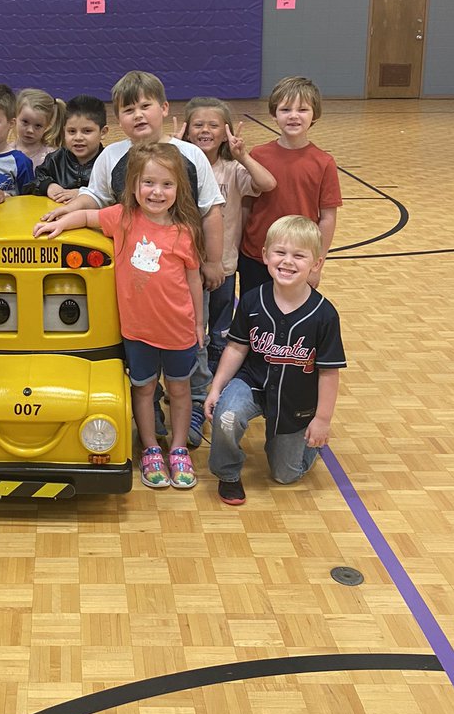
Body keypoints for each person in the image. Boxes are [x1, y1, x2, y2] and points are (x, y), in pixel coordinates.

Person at [41, 72, 225, 447]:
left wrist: (213, 261)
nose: (138, 115)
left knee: (194, 352)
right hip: (140, 282)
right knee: (141, 364)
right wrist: (65, 213)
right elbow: (95, 200)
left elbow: (211, 210)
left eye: (146, 106)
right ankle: (152, 420)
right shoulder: (112, 156)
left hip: (182, 271)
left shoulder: (190, 155)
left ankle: (189, 412)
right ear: (119, 118)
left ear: (164, 109)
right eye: (129, 109)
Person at [35, 142, 205, 491]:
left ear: (179, 189)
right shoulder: (123, 218)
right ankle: (151, 449)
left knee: (179, 389)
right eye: (148, 183)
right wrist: (60, 223)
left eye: (166, 184)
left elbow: (193, 281)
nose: (157, 192)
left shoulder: (185, 231)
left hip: (178, 330)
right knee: (142, 390)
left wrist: (199, 323)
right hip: (137, 331)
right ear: (133, 186)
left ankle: (177, 448)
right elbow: (86, 216)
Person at [204, 215, 346, 506]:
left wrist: (322, 419)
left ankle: (303, 444)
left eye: (299, 255)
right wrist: (216, 387)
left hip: (297, 397)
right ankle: (228, 473)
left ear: (316, 264)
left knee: (285, 475)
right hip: (253, 383)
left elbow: (329, 373)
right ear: (265, 256)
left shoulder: (324, 315)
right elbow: (236, 348)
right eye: (280, 253)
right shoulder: (252, 300)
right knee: (227, 416)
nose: (287, 262)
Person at [179, 97, 277, 372]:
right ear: (187, 131)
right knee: (193, 321)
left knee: (221, 323)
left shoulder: (233, 169)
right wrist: (173, 150)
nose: (205, 130)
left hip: (223, 262)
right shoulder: (177, 166)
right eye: (198, 124)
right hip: (185, 263)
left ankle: (217, 369)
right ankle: (194, 370)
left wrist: (242, 155)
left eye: (213, 125)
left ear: (226, 131)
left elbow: (267, 183)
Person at [238, 75, 342, 299]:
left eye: (302, 109)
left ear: (315, 114)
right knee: (254, 315)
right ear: (274, 115)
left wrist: (317, 264)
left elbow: (327, 218)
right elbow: (246, 206)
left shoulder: (324, 162)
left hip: (298, 261)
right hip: (256, 256)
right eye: (285, 109)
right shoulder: (258, 155)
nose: (294, 116)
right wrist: (238, 249)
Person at [21, 94, 108, 201]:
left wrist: (85, 193)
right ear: (64, 131)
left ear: (103, 132)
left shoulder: (109, 161)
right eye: (72, 131)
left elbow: (117, 193)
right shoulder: (54, 159)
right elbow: (33, 183)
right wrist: (48, 186)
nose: (78, 137)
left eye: (87, 131)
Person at [14, 87, 67, 170]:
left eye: (38, 126)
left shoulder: (52, 157)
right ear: (15, 117)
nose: (30, 130)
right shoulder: (4, 153)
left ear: (47, 125)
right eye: (25, 122)